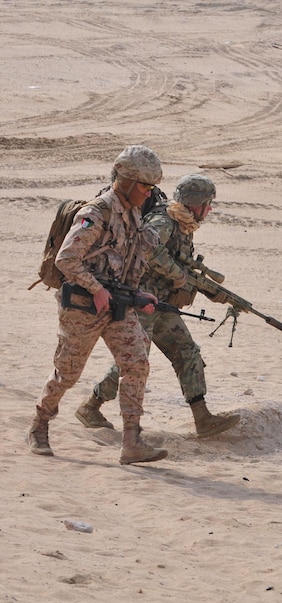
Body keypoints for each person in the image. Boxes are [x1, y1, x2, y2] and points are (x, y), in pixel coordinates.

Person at [27, 145, 168, 465]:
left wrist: (138, 296)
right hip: (81, 307)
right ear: (128, 182)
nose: (149, 194)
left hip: (117, 306)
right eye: (146, 187)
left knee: (136, 361)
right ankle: (39, 426)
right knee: (67, 374)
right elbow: (66, 259)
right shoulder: (95, 213)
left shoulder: (133, 213)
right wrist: (95, 288)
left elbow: (126, 262)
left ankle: (132, 441)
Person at [74, 174, 240, 438]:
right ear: (196, 202)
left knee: (187, 352)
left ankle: (203, 418)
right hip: (140, 302)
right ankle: (91, 406)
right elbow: (148, 251)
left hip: (160, 305)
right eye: (208, 204)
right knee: (133, 362)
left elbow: (181, 264)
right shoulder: (164, 221)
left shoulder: (184, 225)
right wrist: (178, 276)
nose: (210, 209)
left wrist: (210, 291)